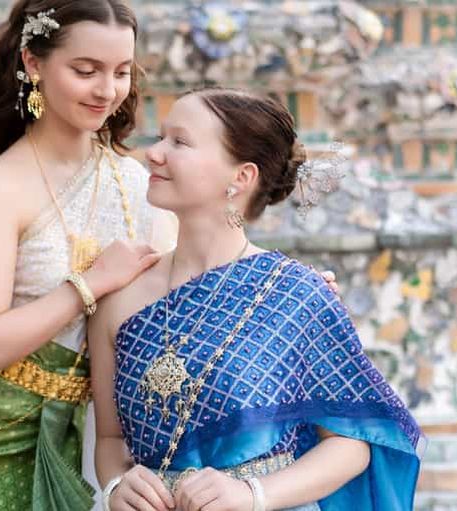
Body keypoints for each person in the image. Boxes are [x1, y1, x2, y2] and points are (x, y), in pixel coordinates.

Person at [0, 2, 340, 508]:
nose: (107, 90)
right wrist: (89, 285)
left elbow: (187, 293)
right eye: (85, 70)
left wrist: (288, 291)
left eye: (121, 72)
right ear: (33, 63)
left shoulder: (141, 182)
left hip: (68, 436)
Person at [90, 89, 424, 511]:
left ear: (241, 177)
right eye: (160, 137)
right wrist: (117, 485)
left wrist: (251, 494)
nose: (154, 153)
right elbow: (110, 438)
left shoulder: (297, 294)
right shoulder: (120, 298)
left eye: (180, 142)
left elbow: (350, 443)